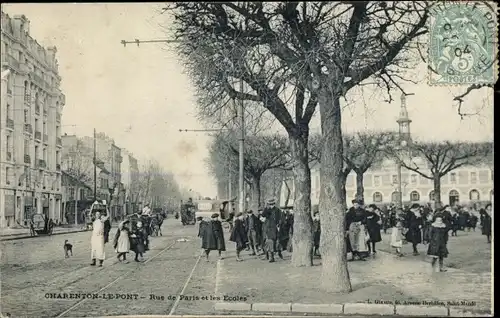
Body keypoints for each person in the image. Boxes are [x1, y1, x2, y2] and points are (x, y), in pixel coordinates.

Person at [261, 198, 283, 263]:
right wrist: (266, 208)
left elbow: (280, 219)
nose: (271, 205)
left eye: (272, 204)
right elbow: (263, 215)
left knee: (276, 242)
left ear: (274, 204)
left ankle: (278, 252)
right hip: (268, 228)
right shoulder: (267, 210)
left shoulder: (278, 210)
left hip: (275, 228)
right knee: (269, 242)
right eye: (270, 204)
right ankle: (271, 257)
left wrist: (279, 225)